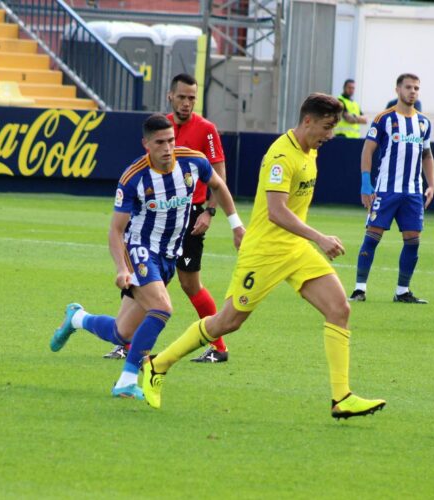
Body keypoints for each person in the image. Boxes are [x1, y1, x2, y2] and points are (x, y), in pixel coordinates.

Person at [140, 93, 386, 420]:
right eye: (326, 127)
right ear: (308, 121)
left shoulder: (309, 150)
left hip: (294, 249)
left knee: (339, 308)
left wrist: (309, 241)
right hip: (265, 252)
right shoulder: (281, 156)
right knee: (228, 322)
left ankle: (341, 397)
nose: (329, 136)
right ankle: (157, 366)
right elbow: (275, 211)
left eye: (333, 129)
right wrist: (319, 238)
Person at [48, 114, 244, 399]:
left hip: (167, 256)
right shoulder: (133, 177)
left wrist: (236, 225)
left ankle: (77, 318)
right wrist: (120, 268)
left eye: (171, 141)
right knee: (163, 308)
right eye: (160, 143)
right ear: (146, 144)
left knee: (122, 333)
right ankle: (127, 381)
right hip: (139, 250)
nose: (168, 148)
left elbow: (218, 184)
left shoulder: (192, 161)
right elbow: (116, 230)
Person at [103, 73, 232, 362]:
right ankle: (127, 343)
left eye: (192, 98)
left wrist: (209, 213)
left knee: (189, 284)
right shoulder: (159, 127)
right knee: (139, 278)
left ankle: (218, 346)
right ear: (170, 97)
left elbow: (218, 176)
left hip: (190, 216)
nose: (187, 103)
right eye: (182, 97)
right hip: (155, 215)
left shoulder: (206, 130)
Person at [350, 73, 434, 304]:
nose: (413, 91)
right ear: (398, 89)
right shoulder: (384, 119)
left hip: (413, 192)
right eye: (408, 87)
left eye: (416, 87)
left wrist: (432, 184)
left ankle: (402, 291)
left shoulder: (424, 122)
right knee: (372, 237)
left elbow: (427, 154)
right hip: (386, 190)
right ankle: (359, 289)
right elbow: (367, 150)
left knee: (413, 240)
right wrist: (366, 184)